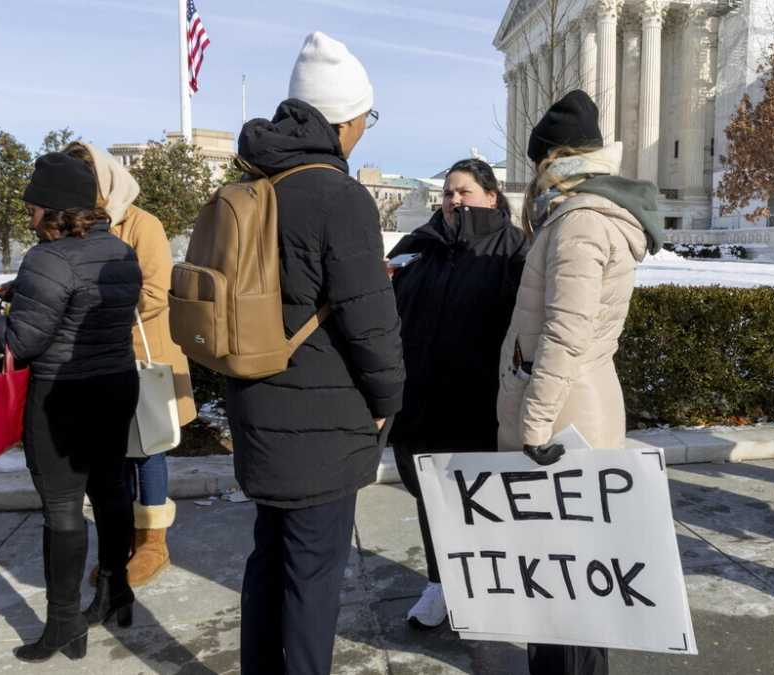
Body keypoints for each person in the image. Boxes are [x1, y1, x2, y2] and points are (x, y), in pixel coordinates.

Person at [227, 32, 404, 675]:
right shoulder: (337, 196)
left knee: (267, 560)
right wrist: (388, 400)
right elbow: (371, 324)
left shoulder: (254, 184)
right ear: (343, 120)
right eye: (364, 119)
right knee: (313, 577)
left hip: (256, 402)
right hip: (322, 420)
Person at [496, 90, 663, 675]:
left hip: (564, 418)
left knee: (570, 578)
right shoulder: (582, 215)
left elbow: (565, 335)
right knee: (563, 574)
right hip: (571, 407)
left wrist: (533, 426)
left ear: (554, 159)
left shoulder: (580, 221)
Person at [0, 153, 142, 662]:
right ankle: (116, 594)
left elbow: (21, 342)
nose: (27, 214)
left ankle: (65, 622)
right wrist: (28, 293)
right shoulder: (118, 249)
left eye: (32, 205)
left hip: (62, 397)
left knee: (63, 508)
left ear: (52, 208)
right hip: (115, 385)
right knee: (111, 491)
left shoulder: (46, 258)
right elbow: (95, 307)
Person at [387, 158, 528, 630]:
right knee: (431, 498)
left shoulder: (511, 249)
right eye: (448, 192)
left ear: (491, 196)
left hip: (477, 404)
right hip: (419, 403)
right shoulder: (419, 245)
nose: (453, 200)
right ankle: (441, 584)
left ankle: (491, 584)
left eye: (464, 191)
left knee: (483, 503)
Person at [63, 142, 196, 585]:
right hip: (94, 359)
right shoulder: (72, 227)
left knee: (147, 448)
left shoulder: (143, 225)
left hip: (143, 357)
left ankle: (153, 543)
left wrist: (96, 309)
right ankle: (119, 539)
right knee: (112, 453)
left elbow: (157, 293)